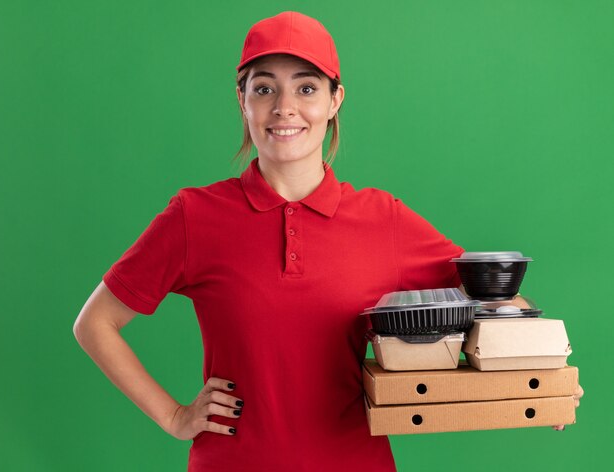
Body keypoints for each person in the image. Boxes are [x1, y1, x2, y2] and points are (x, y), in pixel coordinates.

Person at [73, 11, 582, 472]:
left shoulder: (383, 219)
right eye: (264, 88)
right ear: (241, 99)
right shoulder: (195, 216)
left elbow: (490, 301)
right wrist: (174, 417)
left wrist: (546, 377)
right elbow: (95, 323)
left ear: (336, 99)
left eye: (307, 88)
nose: (285, 108)